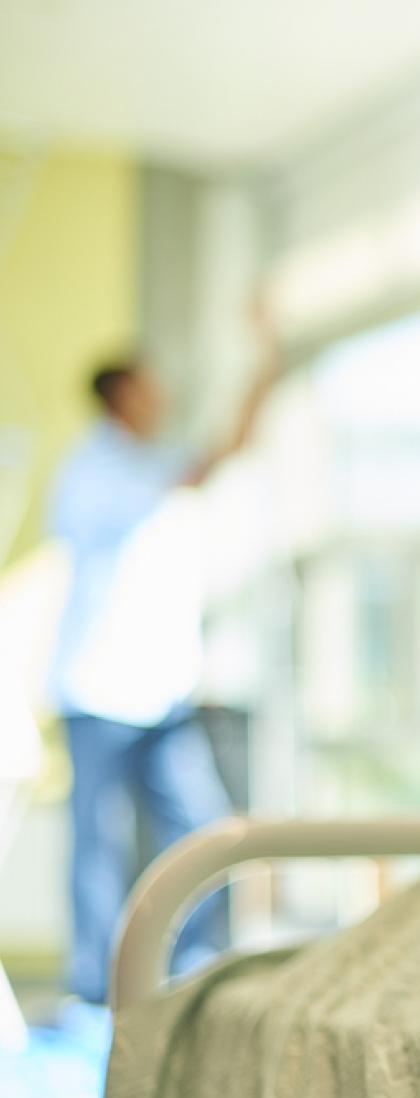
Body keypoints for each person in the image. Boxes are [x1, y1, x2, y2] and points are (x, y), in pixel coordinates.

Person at [48, 324, 278, 1008]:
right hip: (97, 690)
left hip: (162, 693)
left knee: (199, 827)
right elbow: (204, 463)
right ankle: (93, 992)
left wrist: (266, 360)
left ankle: (187, 971)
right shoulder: (95, 470)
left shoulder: (151, 464)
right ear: (121, 395)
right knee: (97, 845)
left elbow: (225, 451)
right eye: (149, 387)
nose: (162, 397)